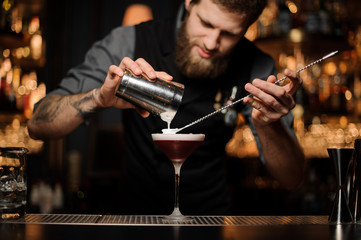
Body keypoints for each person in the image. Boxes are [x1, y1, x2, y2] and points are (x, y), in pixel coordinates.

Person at [27, 0, 306, 215]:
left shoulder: (257, 66)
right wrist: (98, 98)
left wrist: (267, 125)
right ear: (189, 2)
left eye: (230, 34)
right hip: (134, 214)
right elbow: (37, 124)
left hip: (209, 218)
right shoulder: (129, 41)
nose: (211, 43)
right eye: (206, 24)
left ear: (247, 27)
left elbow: (292, 178)